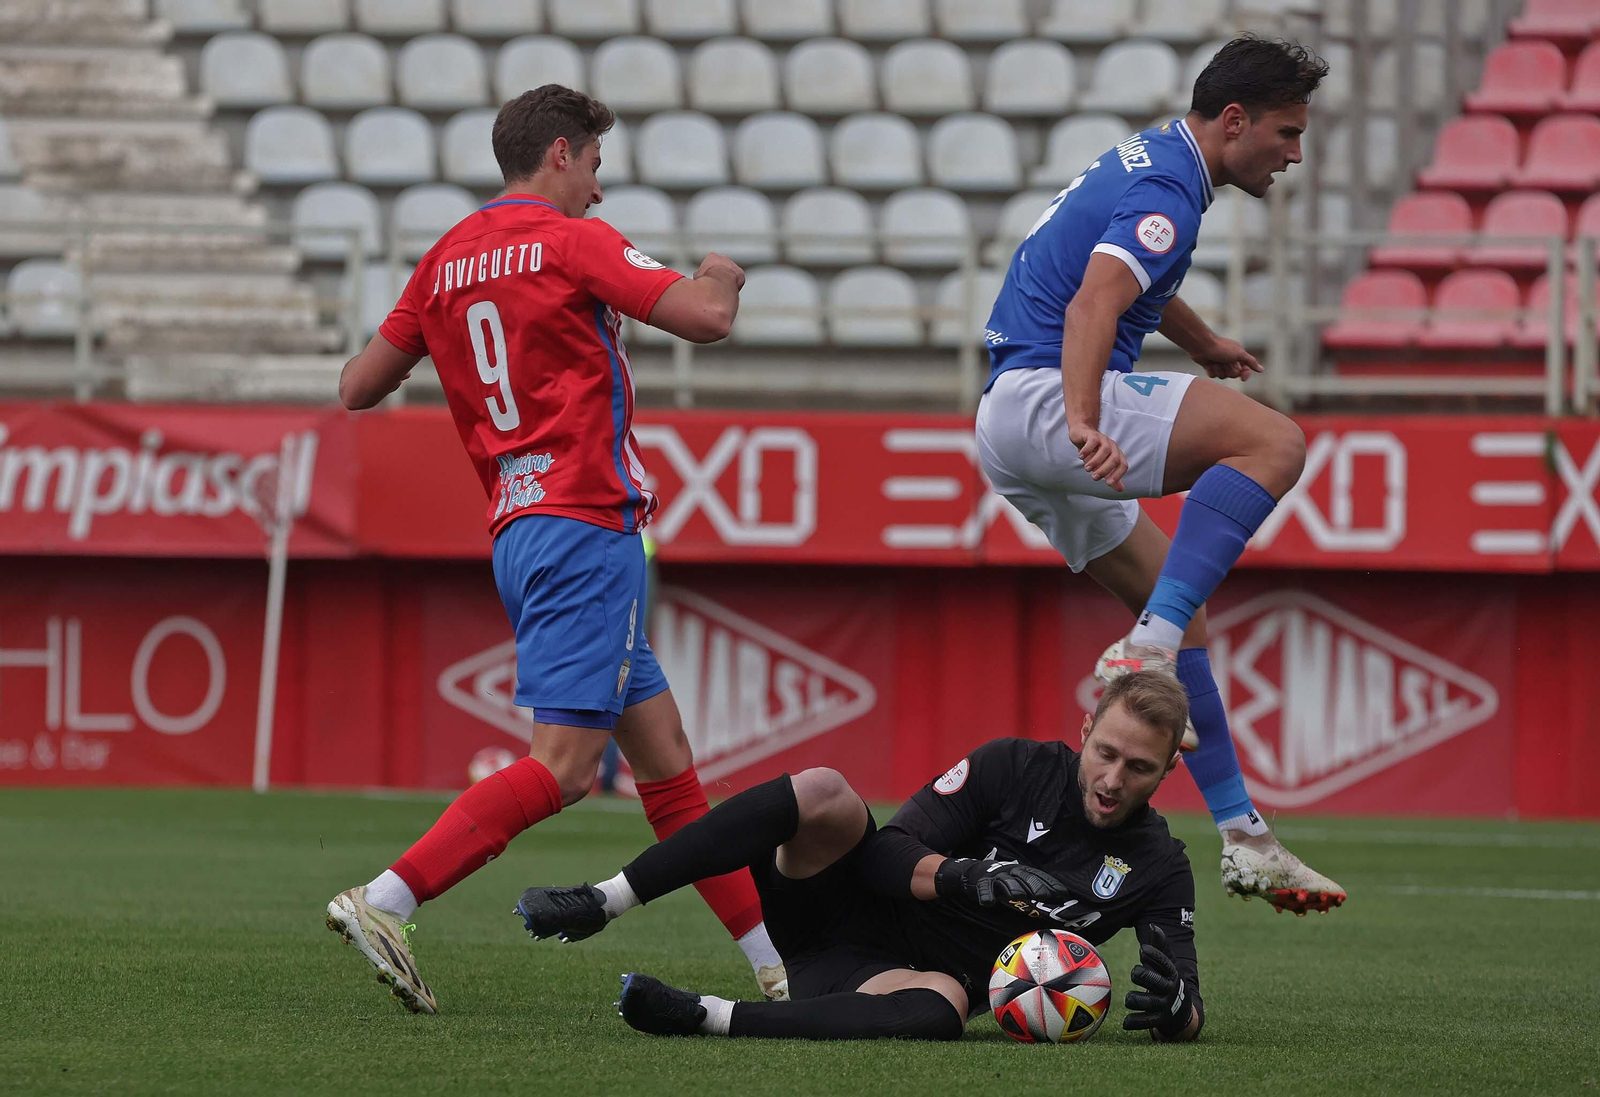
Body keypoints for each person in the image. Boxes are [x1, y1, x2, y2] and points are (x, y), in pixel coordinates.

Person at [327, 84, 787, 1013]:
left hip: (519, 524)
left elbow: (356, 386)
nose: (600, 194)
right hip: (587, 520)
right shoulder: (572, 241)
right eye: (597, 170)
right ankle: (387, 898)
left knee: (669, 767)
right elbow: (706, 318)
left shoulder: (444, 258)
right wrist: (724, 270)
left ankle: (778, 967)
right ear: (564, 153)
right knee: (569, 767)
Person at [975, 35, 1343, 914]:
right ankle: (1146, 645)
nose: (1294, 153)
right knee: (1276, 445)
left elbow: (1129, 272)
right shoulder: (1172, 188)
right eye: (1286, 133)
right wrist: (1083, 418)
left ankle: (1245, 834)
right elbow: (1093, 301)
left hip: (1006, 421)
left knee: (1188, 611)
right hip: (1043, 397)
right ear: (1233, 120)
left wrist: (1201, 340)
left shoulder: (1158, 161)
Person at [515, 672, 1204, 1043]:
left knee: (945, 1007)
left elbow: (1187, 1000)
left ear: (1170, 765)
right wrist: (969, 876)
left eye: (1139, 766)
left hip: (885, 981)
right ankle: (607, 898)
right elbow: (885, 853)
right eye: (1105, 753)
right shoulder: (1015, 765)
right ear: (1085, 730)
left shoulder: (1161, 866)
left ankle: (708, 1015)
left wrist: (1176, 1009)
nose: (1113, 779)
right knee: (825, 791)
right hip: (833, 907)